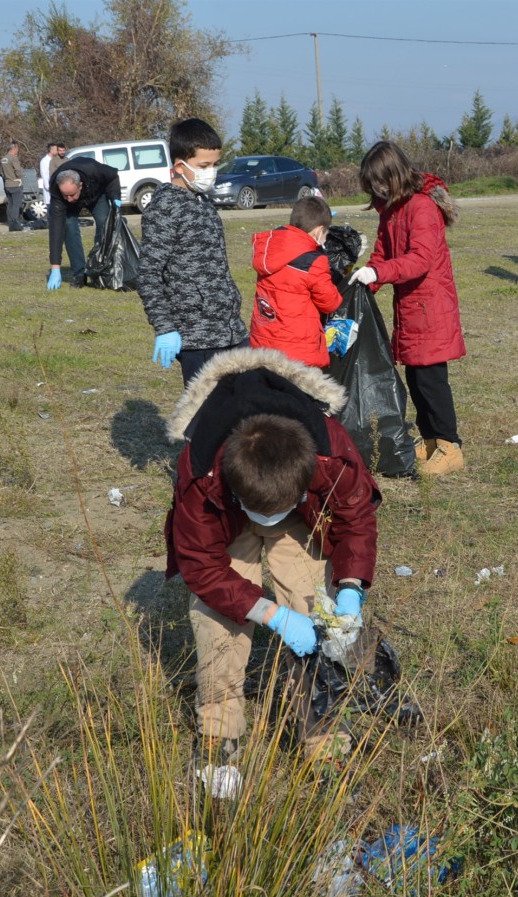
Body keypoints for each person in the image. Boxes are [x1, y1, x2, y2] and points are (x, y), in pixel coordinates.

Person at [164, 347, 381, 766]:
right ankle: (218, 733)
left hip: (300, 516)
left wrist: (351, 587)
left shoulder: (329, 451)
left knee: (314, 606)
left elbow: (356, 518)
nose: (268, 520)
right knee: (218, 619)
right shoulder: (203, 476)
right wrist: (269, 614)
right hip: (228, 520)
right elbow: (201, 566)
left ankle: (324, 730)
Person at [348, 141, 466, 476]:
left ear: (394, 174)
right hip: (411, 306)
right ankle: (429, 440)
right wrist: (365, 280)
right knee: (415, 377)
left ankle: (450, 445)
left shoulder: (421, 208)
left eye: (380, 183)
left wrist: (380, 273)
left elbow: (420, 259)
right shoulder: (392, 209)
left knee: (431, 379)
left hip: (431, 306)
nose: (377, 190)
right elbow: (383, 252)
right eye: (372, 186)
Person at [138, 117, 248, 385]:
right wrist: (165, 328)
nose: (211, 171)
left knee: (244, 411)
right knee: (207, 417)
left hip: (231, 330)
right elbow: (148, 274)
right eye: (204, 166)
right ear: (180, 166)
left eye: (215, 164)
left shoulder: (202, 202)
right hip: (197, 338)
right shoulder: (165, 208)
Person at [248, 195, 341, 368]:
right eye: (326, 233)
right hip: (297, 351)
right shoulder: (314, 262)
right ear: (319, 231)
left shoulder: (270, 251)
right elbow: (330, 303)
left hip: (263, 343)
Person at [46, 156, 121, 290]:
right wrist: (55, 267)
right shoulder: (56, 190)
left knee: (104, 222)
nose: (69, 199)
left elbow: (113, 176)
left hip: (96, 195)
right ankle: (79, 273)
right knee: (68, 226)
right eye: (65, 195)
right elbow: (56, 230)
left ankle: (100, 267)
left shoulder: (94, 170)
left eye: (72, 194)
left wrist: (115, 197)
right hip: (73, 204)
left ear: (80, 185)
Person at [0, 141, 26, 232]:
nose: (18, 151)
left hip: (7, 184)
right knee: (16, 204)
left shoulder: (3, 159)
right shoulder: (13, 158)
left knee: (10, 204)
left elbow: (0, 172)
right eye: (17, 149)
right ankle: (14, 223)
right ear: (15, 148)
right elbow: (18, 171)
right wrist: (20, 177)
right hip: (15, 184)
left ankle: (10, 222)